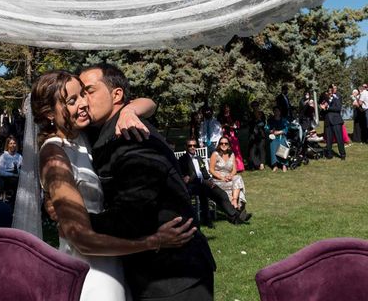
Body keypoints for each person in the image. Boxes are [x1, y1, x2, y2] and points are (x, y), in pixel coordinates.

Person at [32, 70, 201, 301]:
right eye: (73, 100)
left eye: (84, 93)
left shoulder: (83, 137)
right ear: (49, 113)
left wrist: (129, 109)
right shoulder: (54, 154)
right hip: (93, 267)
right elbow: (80, 237)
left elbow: (150, 103)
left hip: (119, 259)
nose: (83, 104)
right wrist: (153, 241)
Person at [78, 65, 216, 300]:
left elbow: (132, 216)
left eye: (89, 91)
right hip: (150, 271)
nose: (82, 101)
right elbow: (149, 103)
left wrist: (73, 220)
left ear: (117, 94)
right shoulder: (102, 131)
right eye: (79, 95)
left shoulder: (132, 136)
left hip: (174, 276)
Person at [179, 139, 251, 227]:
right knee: (205, 193)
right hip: (193, 185)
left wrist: (210, 181)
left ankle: (235, 217)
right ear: (186, 147)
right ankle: (232, 216)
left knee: (222, 194)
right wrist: (189, 178)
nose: (192, 147)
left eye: (194, 145)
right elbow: (185, 177)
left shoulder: (199, 158)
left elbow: (205, 173)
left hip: (205, 183)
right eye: (190, 146)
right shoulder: (182, 160)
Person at [209, 137, 249, 212]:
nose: (223, 145)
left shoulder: (232, 154)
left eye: (226, 143)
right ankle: (239, 208)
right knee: (238, 187)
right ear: (219, 145)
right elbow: (211, 170)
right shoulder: (215, 154)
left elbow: (234, 170)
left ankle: (234, 201)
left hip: (229, 178)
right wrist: (222, 178)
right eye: (221, 143)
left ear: (229, 145)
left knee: (238, 178)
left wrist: (230, 175)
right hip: (218, 180)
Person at [320, 84, 346, 160]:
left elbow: (338, 108)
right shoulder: (326, 98)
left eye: (334, 88)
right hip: (328, 120)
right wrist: (322, 108)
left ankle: (342, 154)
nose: (333, 89)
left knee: (339, 138)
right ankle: (329, 155)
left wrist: (328, 107)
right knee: (328, 139)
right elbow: (323, 110)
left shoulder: (338, 96)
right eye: (331, 88)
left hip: (336, 120)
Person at [218, 104, 244, 172]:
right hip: (225, 135)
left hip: (233, 135)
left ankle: (239, 167)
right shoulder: (220, 117)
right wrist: (224, 125)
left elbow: (237, 125)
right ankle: (229, 167)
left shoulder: (233, 116)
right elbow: (219, 126)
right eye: (225, 108)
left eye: (227, 107)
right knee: (227, 150)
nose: (226, 109)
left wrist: (234, 126)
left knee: (236, 150)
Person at [266, 107, 289, 172]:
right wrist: (271, 131)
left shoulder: (283, 120)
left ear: (280, 112)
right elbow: (267, 128)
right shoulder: (270, 120)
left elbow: (286, 129)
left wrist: (279, 132)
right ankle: (275, 165)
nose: (276, 112)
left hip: (281, 136)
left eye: (278, 111)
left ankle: (284, 165)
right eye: (275, 111)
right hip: (273, 137)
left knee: (283, 145)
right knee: (273, 145)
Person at [247, 101, 267, 170]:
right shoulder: (250, 114)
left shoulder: (262, 114)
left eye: (256, 106)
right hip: (253, 134)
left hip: (261, 134)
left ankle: (262, 163)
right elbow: (249, 124)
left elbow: (263, 123)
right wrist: (255, 121)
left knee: (261, 148)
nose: (255, 107)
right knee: (252, 149)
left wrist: (258, 119)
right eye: (253, 106)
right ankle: (255, 164)